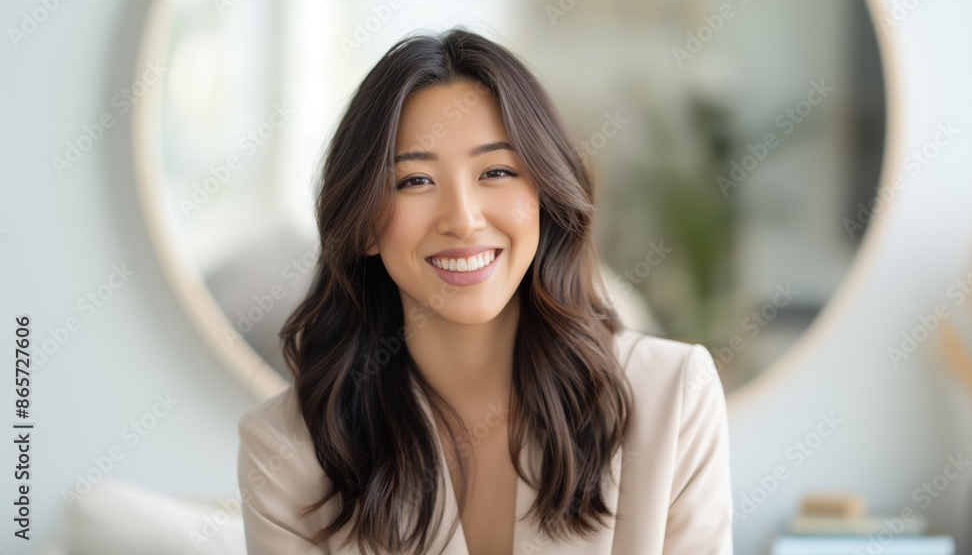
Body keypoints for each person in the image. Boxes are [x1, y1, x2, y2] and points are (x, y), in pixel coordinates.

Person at [237, 27, 733, 555]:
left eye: (496, 171)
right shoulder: (285, 452)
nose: (463, 219)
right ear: (363, 225)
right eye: (415, 181)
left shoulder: (674, 397)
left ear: (545, 196)